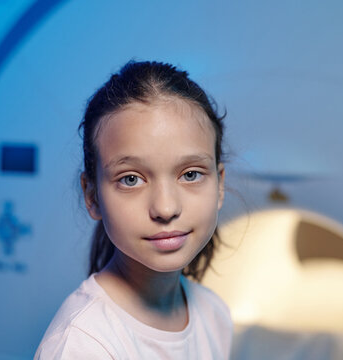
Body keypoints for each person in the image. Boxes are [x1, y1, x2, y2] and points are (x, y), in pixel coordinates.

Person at [34, 60, 232, 359]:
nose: (165, 208)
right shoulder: (82, 344)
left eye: (190, 174)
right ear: (92, 196)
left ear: (219, 185)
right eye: (131, 179)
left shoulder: (214, 314)